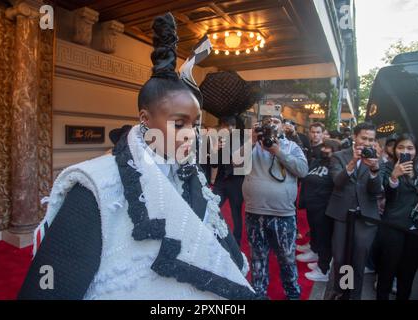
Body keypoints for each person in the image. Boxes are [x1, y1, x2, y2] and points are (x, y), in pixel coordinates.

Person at [18, 13, 256, 300]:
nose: (191, 135)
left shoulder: (189, 174)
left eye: (195, 125)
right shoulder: (96, 184)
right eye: (179, 124)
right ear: (145, 118)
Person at [243, 114, 309, 299]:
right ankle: (259, 294)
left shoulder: (291, 146)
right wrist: (251, 141)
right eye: (267, 122)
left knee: (287, 259)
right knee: (257, 258)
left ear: (283, 126)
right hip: (254, 212)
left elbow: (303, 170)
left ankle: (293, 294)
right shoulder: (252, 145)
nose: (271, 124)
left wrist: (278, 152)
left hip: (283, 214)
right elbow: (235, 163)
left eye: (276, 122)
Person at [325, 122, 383, 300]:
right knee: (341, 259)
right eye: (364, 138)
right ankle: (343, 292)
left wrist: (374, 170)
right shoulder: (338, 156)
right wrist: (352, 163)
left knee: (358, 261)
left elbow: (376, 191)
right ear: (354, 137)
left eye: (371, 139)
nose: (367, 142)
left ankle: (354, 296)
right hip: (342, 215)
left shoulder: (376, 159)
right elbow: (337, 182)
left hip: (366, 218)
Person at [376, 134, 418, 300]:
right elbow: (386, 195)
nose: (405, 151)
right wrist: (394, 177)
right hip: (393, 226)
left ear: (416, 150)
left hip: (415, 229)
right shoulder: (388, 166)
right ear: (395, 150)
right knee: (387, 270)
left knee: (408, 273)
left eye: (410, 148)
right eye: (401, 148)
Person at [298, 139, 341, 282]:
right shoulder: (317, 162)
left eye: (329, 148)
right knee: (316, 234)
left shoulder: (335, 166)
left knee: (324, 238)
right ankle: (316, 254)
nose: (325, 150)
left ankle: (324, 270)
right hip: (312, 206)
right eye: (324, 146)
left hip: (324, 207)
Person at [211, 116, 245, 246]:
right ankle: (212, 234)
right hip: (221, 181)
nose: (229, 128)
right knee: (212, 207)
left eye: (232, 126)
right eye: (226, 126)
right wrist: (215, 150)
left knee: (236, 213)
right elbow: (214, 165)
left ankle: (236, 242)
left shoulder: (242, 141)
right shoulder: (219, 141)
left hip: (236, 182)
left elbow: (242, 163)